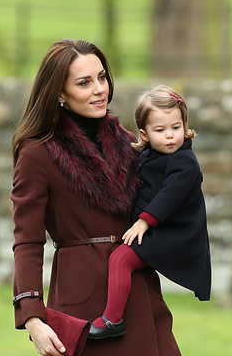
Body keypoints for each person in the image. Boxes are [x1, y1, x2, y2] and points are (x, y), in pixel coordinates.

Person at [10, 39, 210, 356]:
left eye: (102, 77)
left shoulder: (129, 142)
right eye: (84, 82)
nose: (99, 89)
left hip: (137, 292)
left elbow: (177, 186)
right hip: (82, 306)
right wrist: (32, 316)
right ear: (59, 93)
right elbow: (26, 241)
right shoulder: (37, 153)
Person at [88, 85, 211, 339]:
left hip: (174, 234)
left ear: (184, 124)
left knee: (120, 259)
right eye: (160, 130)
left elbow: (169, 196)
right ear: (144, 134)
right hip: (157, 228)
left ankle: (113, 320)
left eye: (176, 128)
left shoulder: (185, 163)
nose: (170, 136)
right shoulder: (148, 155)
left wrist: (144, 222)